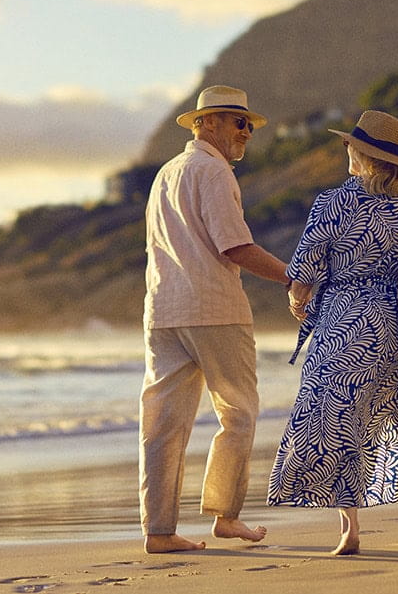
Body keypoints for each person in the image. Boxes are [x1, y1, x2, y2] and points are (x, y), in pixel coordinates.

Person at [267, 110, 398, 555]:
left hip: (345, 326)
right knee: (397, 419)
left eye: (350, 146)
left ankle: (350, 528)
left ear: (360, 153)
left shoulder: (332, 202)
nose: (346, 150)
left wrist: (297, 301)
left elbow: (304, 266)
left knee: (340, 419)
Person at [140, 85, 295, 553]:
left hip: (163, 311)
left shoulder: (167, 173)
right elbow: (235, 246)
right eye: (236, 121)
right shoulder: (214, 171)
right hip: (214, 309)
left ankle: (160, 532)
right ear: (204, 123)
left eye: (247, 123)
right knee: (239, 413)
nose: (245, 131)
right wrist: (294, 277)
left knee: (162, 424)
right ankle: (225, 517)